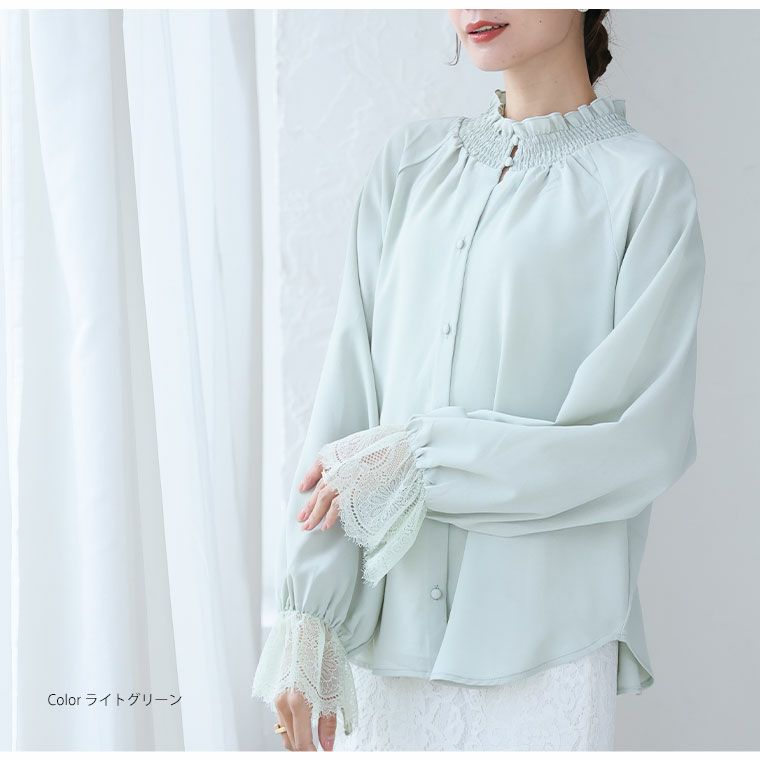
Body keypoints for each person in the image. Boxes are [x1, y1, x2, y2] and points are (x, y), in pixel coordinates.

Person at [252, 8, 706, 752]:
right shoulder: (409, 168)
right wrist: (309, 612)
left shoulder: (646, 187)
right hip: (383, 642)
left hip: (546, 645)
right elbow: (347, 400)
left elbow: (640, 443)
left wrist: (424, 460)